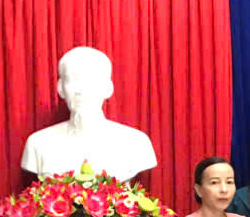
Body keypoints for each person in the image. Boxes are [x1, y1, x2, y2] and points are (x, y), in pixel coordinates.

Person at [20, 46, 157, 181]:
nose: (81, 90)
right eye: (72, 80)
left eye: (91, 80)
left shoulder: (135, 143)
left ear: (108, 88)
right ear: (60, 88)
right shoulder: (38, 144)